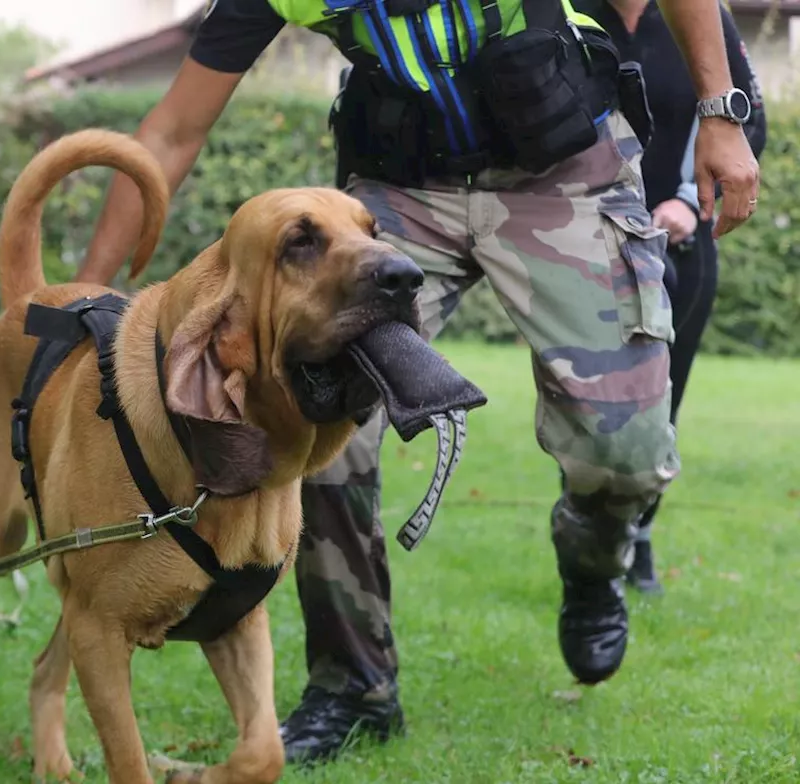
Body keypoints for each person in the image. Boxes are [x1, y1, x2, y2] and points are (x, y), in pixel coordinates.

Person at [73, 0, 761, 766]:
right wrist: (88, 297)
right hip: (399, 194)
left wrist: (721, 114)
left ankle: (596, 558)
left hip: (563, 171)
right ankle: (354, 687)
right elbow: (172, 129)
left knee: (623, 453)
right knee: (315, 421)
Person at [577, 0, 767, 595]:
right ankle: (588, 541)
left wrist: (687, 201)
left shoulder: (704, 20)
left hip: (681, 237)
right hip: (577, 237)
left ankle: (637, 537)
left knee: (661, 404)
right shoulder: (566, 10)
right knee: (591, 408)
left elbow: (747, 121)